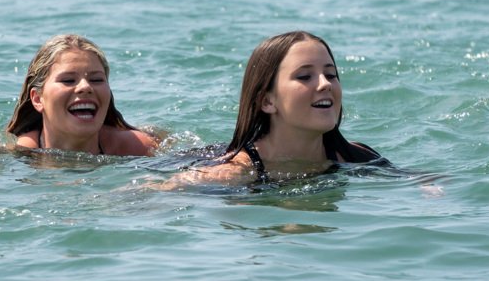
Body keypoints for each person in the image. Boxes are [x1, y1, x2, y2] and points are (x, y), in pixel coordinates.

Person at [157, 31, 386, 190]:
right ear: (267, 101)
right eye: (305, 76)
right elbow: (152, 194)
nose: (325, 84)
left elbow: (414, 181)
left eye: (331, 74)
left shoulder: (355, 157)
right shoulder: (232, 173)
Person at [6, 34, 160, 156]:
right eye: (68, 80)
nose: (86, 86)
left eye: (96, 79)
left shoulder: (138, 148)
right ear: (38, 99)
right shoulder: (22, 155)